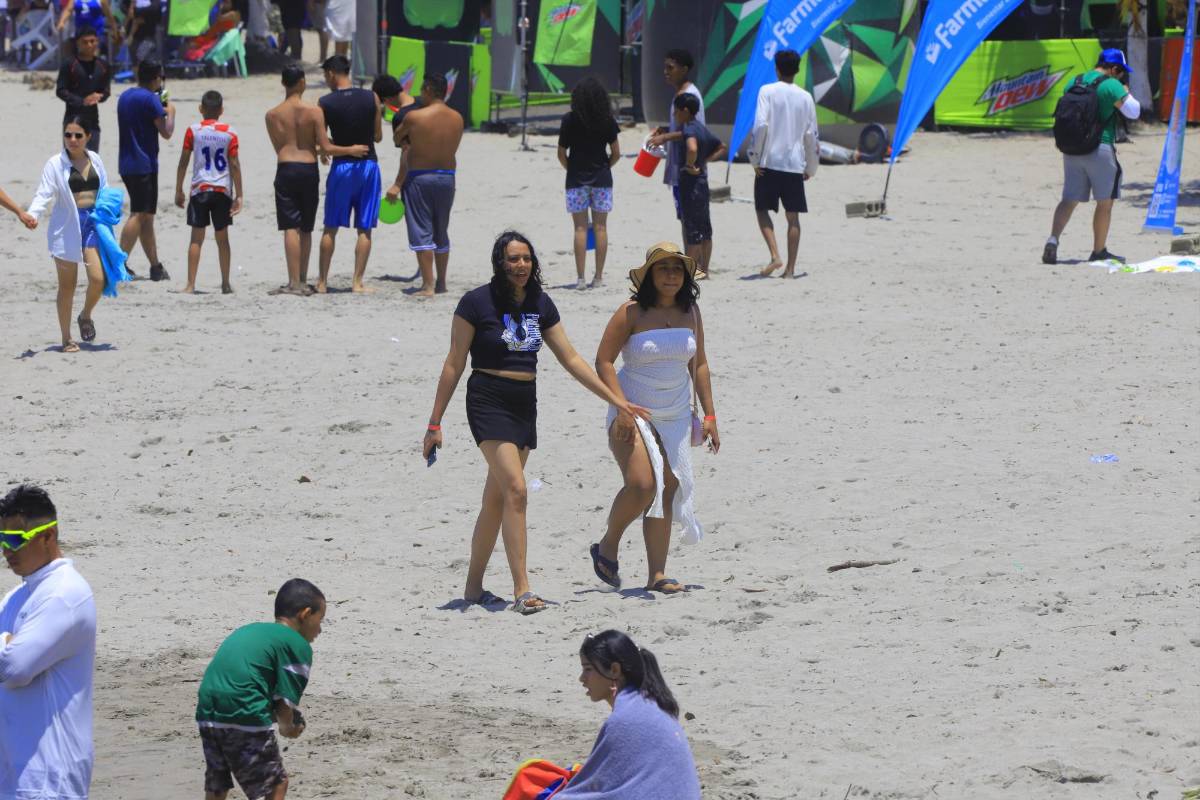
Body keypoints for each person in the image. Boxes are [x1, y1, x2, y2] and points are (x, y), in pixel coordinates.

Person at [421, 231, 649, 614]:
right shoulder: (475, 303)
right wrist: (434, 422)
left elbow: (572, 359)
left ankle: (473, 590)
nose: (521, 265)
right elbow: (454, 362)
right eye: (513, 259)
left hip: (524, 403)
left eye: (526, 258)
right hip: (487, 399)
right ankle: (522, 589)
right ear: (499, 262)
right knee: (517, 490)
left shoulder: (541, 303)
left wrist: (616, 399)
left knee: (496, 499)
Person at [592, 242, 718, 594]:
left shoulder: (690, 312)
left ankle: (657, 574)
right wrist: (620, 407)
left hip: (676, 412)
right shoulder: (630, 312)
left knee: (668, 487)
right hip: (632, 410)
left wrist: (710, 414)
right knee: (643, 484)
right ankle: (608, 544)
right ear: (649, 275)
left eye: (677, 269)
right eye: (663, 269)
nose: (671, 275)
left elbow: (700, 363)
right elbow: (603, 361)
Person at [0, 485, 97, 800]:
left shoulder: (64, 594)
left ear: (47, 536)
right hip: (14, 775)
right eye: (1, 539)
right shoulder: (17, 597)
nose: (6, 550)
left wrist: (7, 644)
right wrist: (9, 642)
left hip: (48, 781)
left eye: (15, 540)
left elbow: (15, 667)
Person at [195, 578, 325, 800]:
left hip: (208, 709)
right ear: (305, 614)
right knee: (276, 785)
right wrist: (288, 728)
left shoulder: (250, 630)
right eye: (320, 620)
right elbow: (285, 707)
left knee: (217, 784)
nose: (320, 629)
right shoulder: (297, 645)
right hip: (243, 708)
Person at [554, 630, 701, 799]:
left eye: (588, 669)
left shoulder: (626, 718)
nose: (582, 678)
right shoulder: (648, 703)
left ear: (615, 670)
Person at [265, 64, 368, 296]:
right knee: (306, 227)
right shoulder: (313, 112)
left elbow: (278, 147)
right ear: (302, 82)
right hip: (308, 168)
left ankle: (293, 282)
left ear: (283, 83)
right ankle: (302, 279)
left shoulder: (271, 115)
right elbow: (327, 147)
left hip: (285, 166)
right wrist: (351, 149)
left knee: (289, 226)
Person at [28, 116, 119, 352]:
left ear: (88, 136)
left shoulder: (95, 159)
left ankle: (85, 315)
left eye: (78, 135)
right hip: (66, 227)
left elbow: (105, 189)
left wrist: (109, 213)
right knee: (67, 287)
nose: (72, 140)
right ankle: (66, 338)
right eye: (68, 135)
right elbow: (43, 193)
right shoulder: (55, 164)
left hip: (92, 224)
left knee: (98, 280)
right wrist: (32, 214)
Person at [1043, 48, 1139, 265]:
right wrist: (1125, 90)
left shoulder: (1075, 81)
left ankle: (1053, 239)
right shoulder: (1112, 84)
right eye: (1122, 72)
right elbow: (1134, 112)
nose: (1122, 76)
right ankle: (1099, 251)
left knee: (1069, 199)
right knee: (1105, 202)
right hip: (1100, 148)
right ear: (1115, 69)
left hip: (1072, 149)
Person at [390, 72, 464, 297]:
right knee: (441, 230)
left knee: (421, 229)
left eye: (422, 90)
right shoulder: (457, 118)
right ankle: (441, 283)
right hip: (447, 177)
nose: (420, 95)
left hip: (420, 176)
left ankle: (428, 285)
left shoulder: (415, 117)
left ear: (430, 90)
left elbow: (396, 139)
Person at [749, 48, 818, 279]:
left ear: (776, 68)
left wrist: (754, 157)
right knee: (793, 217)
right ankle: (790, 270)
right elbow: (811, 135)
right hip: (794, 163)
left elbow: (761, 125)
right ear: (797, 69)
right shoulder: (806, 97)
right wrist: (811, 167)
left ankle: (774, 254)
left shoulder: (767, 91)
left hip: (769, 161)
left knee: (761, 209)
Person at [317, 54, 382, 294]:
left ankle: (322, 282)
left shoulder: (325, 102)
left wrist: (331, 148)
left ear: (332, 73)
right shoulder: (371, 97)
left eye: (325, 75)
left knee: (330, 226)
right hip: (368, 166)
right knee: (364, 228)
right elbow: (377, 136)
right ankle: (357, 282)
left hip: (342, 167)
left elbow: (321, 143)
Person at [174, 89, 242, 295]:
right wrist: (239, 194)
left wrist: (178, 189)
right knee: (223, 239)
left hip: (200, 190)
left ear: (200, 109)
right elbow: (234, 164)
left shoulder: (193, 130)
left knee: (196, 239)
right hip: (222, 190)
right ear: (221, 109)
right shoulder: (229, 132)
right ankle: (225, 283)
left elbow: (184, 161)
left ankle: (190, 284)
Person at [557, 76, 620, 290]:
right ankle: (599, 277)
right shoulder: (607, 120)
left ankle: (581, 278)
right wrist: (605, 168)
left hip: (576, 179)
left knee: (580, 228)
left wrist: (571, 169)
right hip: (602, 179)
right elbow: (617, 153)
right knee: (601, 227)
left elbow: (561, 153)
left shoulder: (569, 120)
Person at [118, 58, 175, 281]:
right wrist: (170, 111)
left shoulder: (124, 96)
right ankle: (118, 262)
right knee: (139, 214)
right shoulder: (151, 99)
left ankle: (155, 266)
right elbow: (167, 132)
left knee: (147, 216)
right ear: (156, 78)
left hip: (127, 162)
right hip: (144, 164)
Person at [647, 49, 704, 243]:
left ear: (684, 69)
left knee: (692, 220)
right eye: (665, 67)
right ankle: (694, 263)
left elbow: (696, 131)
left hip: (689, 166)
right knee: (685, 218)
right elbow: (682, 126)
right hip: (678, 168)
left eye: (670, 67)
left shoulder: (691, 95)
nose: (666, 71)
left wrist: (666, 138)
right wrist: (665, 130)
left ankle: (697, 266)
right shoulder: (679, 95)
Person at [672, 93, 726, 275]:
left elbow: (692, 148)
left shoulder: (689, 129)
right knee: (705, 229)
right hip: (702, 184)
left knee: (692, 230)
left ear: (685, 111)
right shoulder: (702, 128)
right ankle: (705, 269)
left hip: (690, 185)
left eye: (676, 112)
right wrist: (703, 162)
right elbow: (721, 147)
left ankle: (689, 271)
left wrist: (689, 164)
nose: (674, 116)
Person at [55, 26, 111, 153]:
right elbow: (60, 90)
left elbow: (106, 90)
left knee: (92, 161)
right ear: (78, 43)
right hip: (72, 119)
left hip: (93, 122)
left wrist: (99, 97)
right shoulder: (69, 64)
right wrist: (82, 101)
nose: (89, 45)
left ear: (97, 42)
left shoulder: (103, 65)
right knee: (70, 164)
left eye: (92, 41)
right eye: (85, 42)